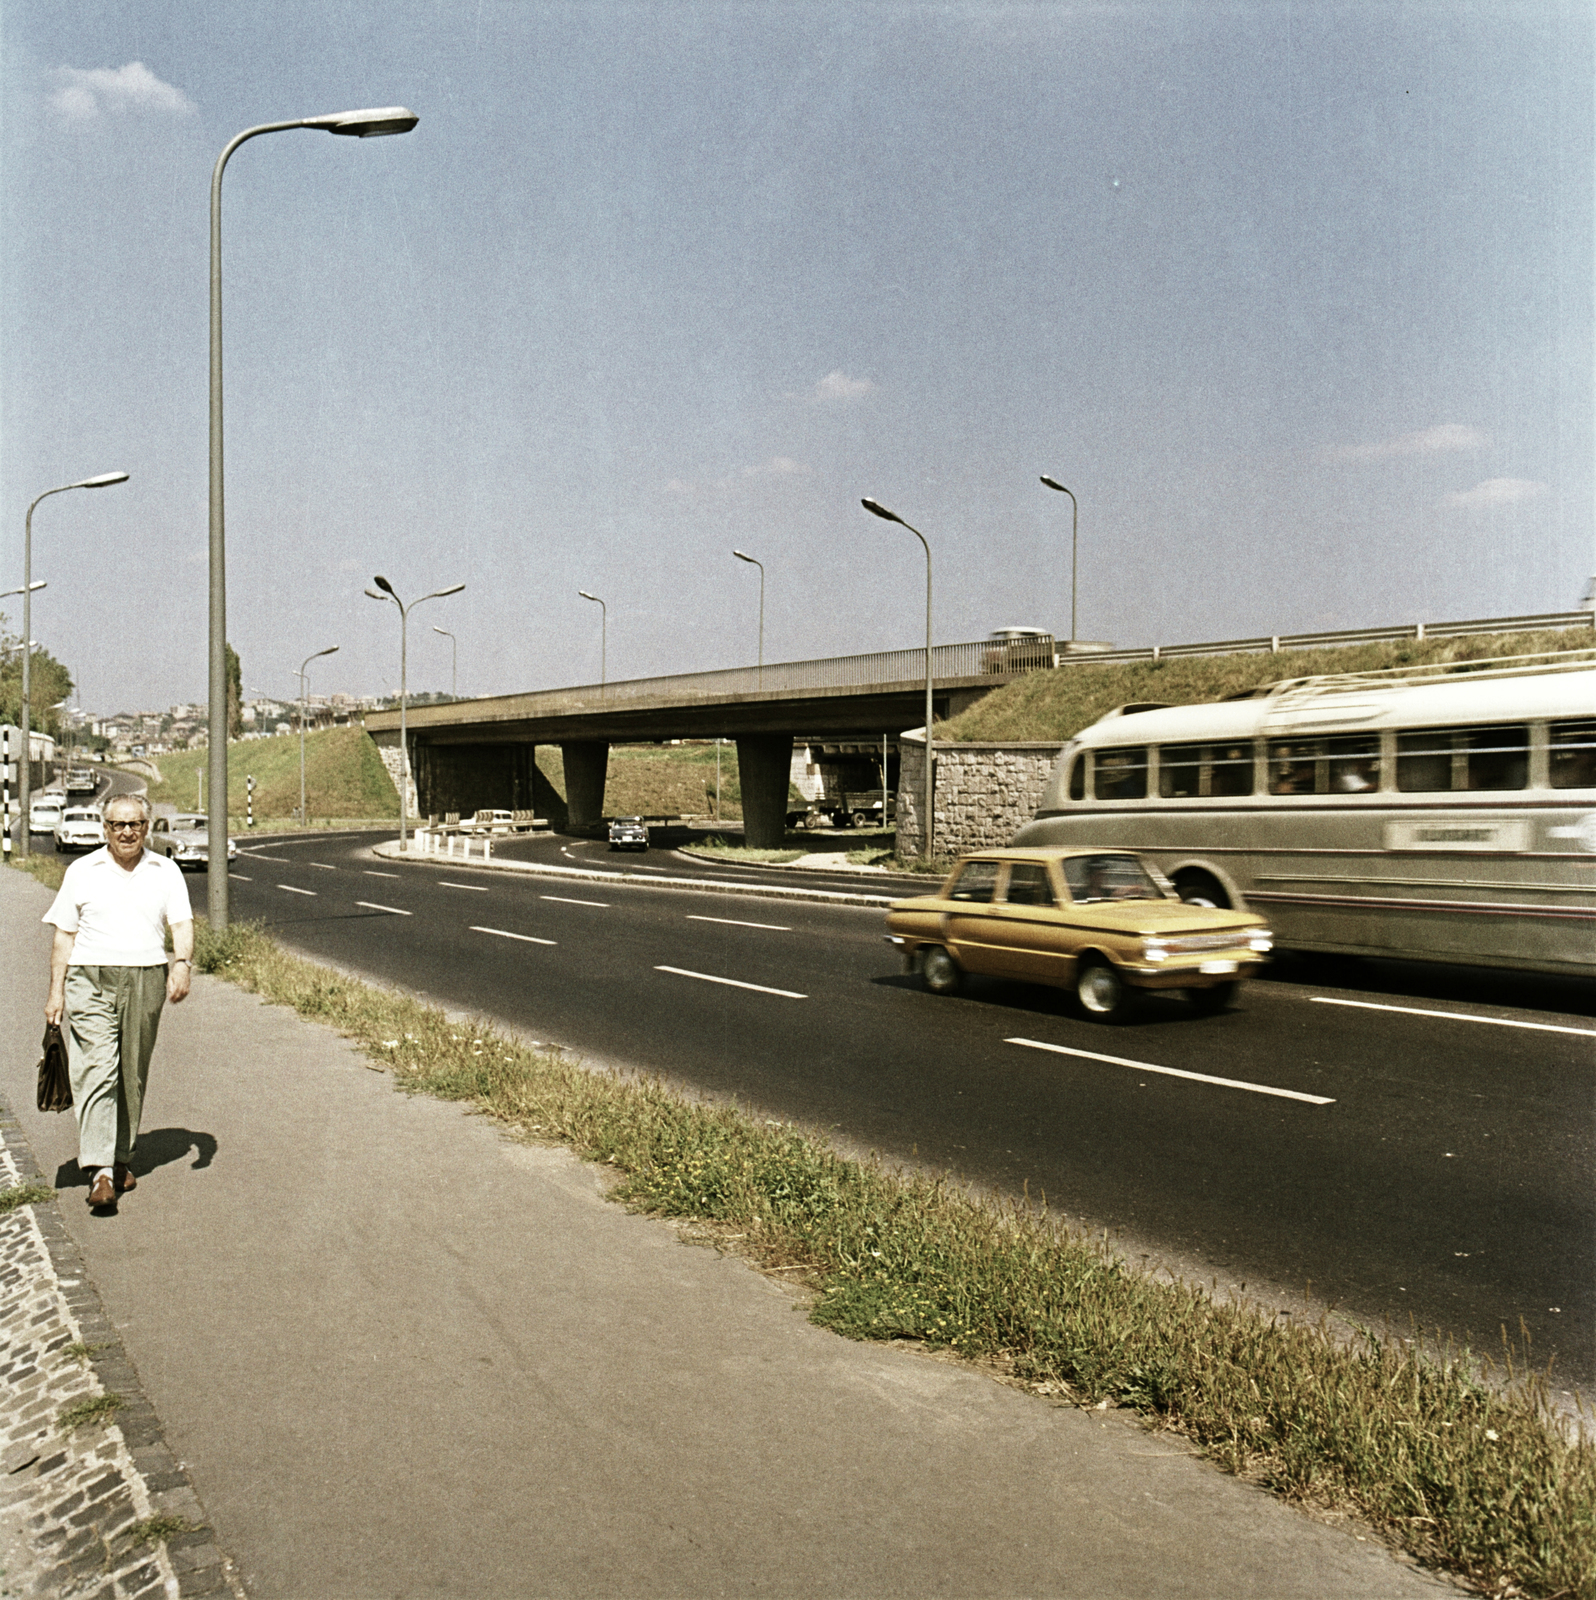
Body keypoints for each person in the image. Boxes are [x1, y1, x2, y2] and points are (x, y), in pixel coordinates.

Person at [43, 792, 193, 1211]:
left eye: (135, 824)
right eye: (117, 825)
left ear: (147, 827)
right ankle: (100, 1172)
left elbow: (180, 922)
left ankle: (121, 1156)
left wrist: (181, 964)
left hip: (146, 976)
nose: (127, 832)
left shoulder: (165, 870)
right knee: (96, 1070)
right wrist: (55, 992)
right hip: (89, 977)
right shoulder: (82, 870)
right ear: (104, 828)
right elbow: (64, 936)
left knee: (131, 1072)